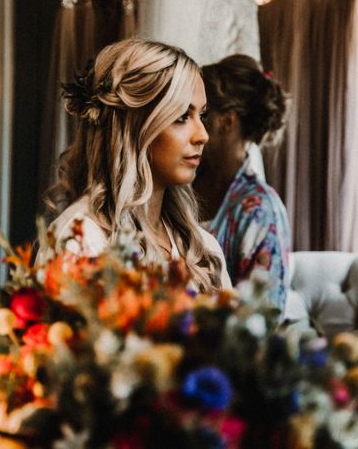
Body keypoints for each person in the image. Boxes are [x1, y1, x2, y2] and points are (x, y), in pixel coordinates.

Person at [40, 38, 231, 293]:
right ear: (135, 127)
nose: (203, 135)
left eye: (202, 115)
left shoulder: (203, 249)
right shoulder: (81, 240)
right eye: (182, 116)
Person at [193, 54, 291, 310]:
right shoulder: (180, 184)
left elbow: (263, 315)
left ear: (225, 122)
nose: (192, 126)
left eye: (202, 115)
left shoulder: (261, 210)